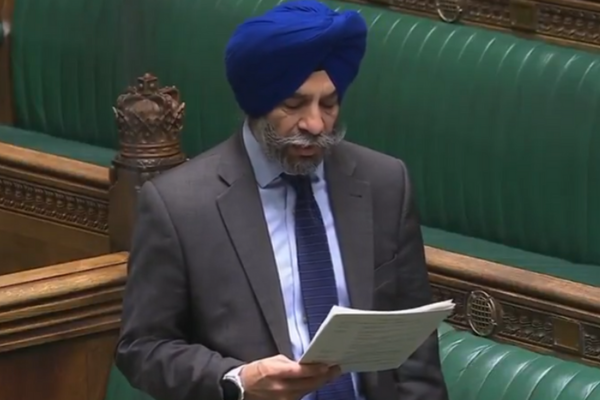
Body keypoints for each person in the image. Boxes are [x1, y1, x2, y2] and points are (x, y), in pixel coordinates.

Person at [115, 1, 449, 400]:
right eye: (293, 105)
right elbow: (143, 348)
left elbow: (415, 351)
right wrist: (237, 380)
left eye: (329, 104)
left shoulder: (385, 183)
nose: (315, 124)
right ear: (256, 102)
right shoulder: (180, 206)